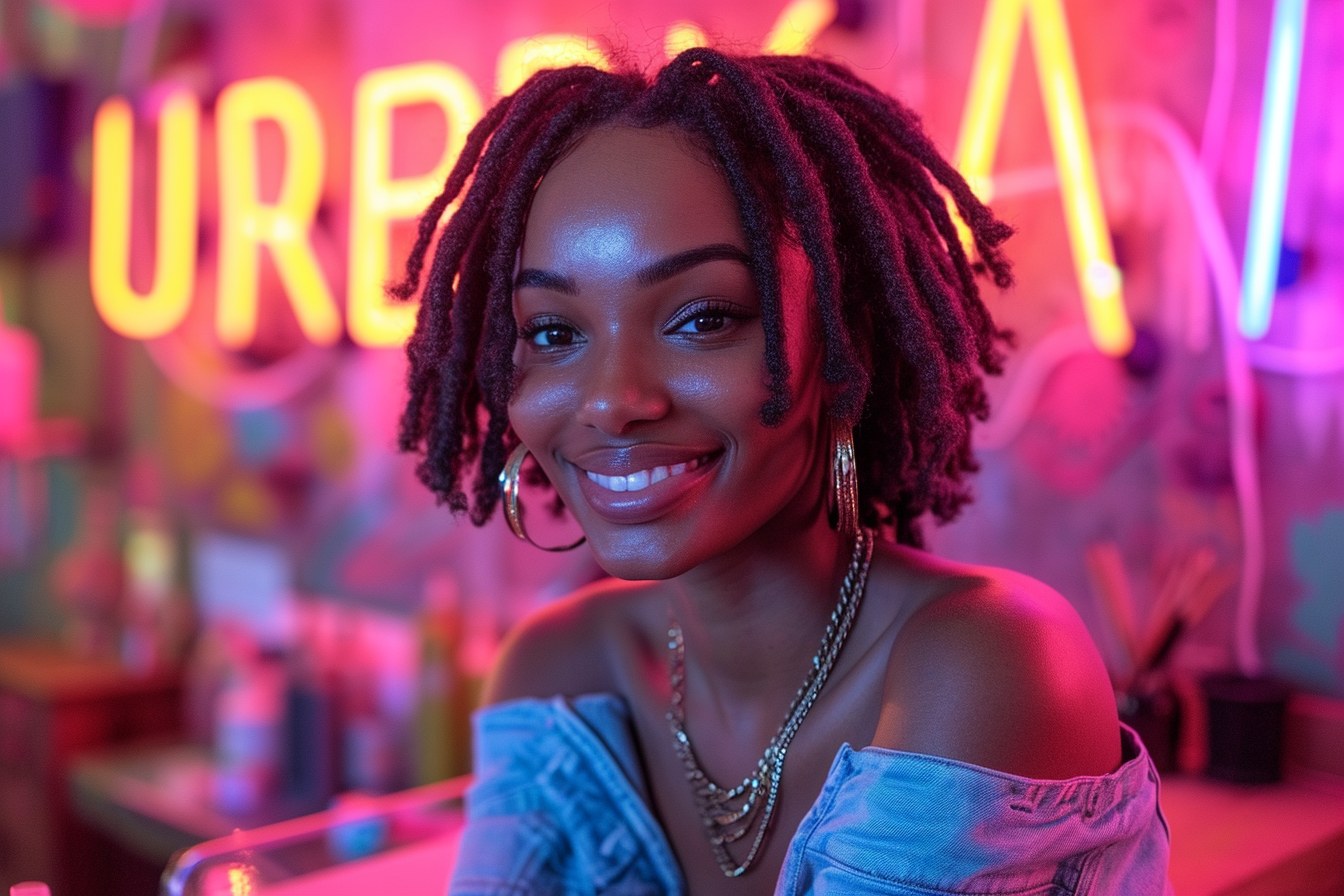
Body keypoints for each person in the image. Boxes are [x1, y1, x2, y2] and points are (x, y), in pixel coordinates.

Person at [395, 48, 1170, 896]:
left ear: (847, 352)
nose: (612, 401)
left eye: (703, 318)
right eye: (551, 332)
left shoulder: (989, 661)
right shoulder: (557, 677)